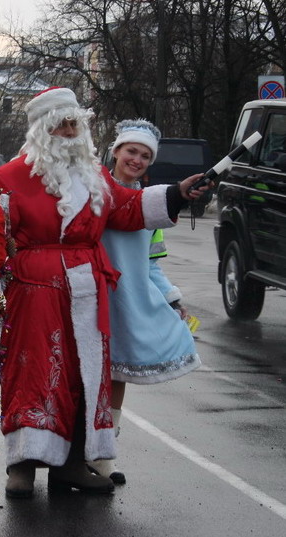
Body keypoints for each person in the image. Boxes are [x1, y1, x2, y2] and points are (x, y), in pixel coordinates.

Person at [0, 88, 210, 499]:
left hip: (87, 291)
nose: (69, 131)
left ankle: (73, 464)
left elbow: (128, 208)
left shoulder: (94, 177)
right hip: (33, 291)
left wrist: (177, 192)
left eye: (75, 123)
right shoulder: (11, 177)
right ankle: (22, 465)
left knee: (83, 377)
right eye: (60, 124)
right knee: (32, 372)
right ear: (42, 129)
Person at [89, 119, 201, 484]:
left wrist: (172, 300)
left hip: (128, 300)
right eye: (131, 151)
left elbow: (151, 264)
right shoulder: (95, 189)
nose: (136, 160)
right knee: (86, 376)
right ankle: (76, 454)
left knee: (116, 374)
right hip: (92, 293)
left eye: (144, 156)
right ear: (116, 151)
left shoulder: (152, 206)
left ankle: (103, 456)